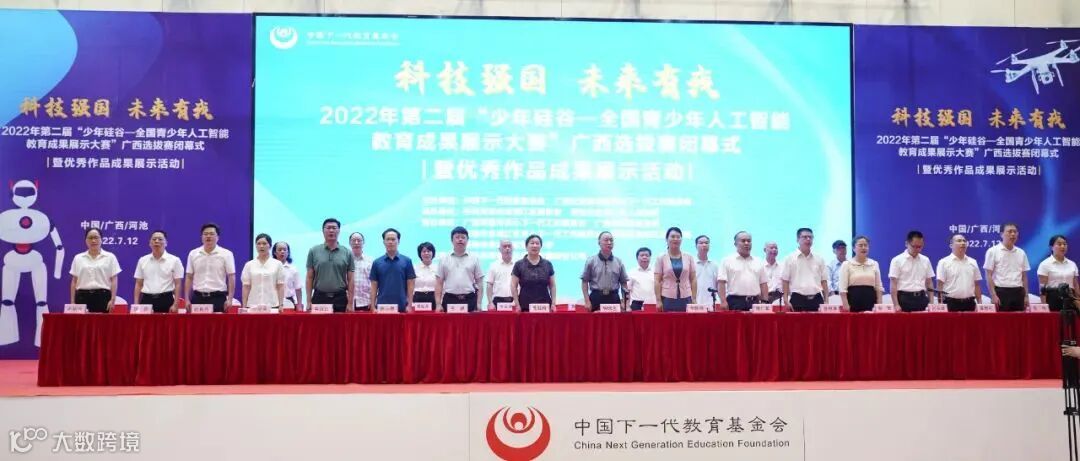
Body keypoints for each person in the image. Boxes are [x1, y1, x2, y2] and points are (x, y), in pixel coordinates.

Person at [306, 219, 355, 313]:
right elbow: (309, 277)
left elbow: (351, 279)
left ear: (339, 230)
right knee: (319, 323)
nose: (331, 230)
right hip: (319, 297)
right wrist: (308, 301)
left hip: (340, 298)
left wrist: (350, 303)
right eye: (328, 228)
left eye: (334, 228)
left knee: (341, 323)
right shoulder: (313, 251)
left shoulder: (347, 252)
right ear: (323, 231)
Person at [185, 223, 236, 313]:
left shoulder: (226, 254)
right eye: (205, 234)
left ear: (217, 237)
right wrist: (186, 299)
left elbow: (231, 277)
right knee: (196, 322)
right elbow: (189, 277)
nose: (208, 236)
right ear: (201, 237)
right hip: (198, 298)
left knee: (218, 322)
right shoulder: (193, 254)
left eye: (212, 234)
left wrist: (230, 299)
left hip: (218, 298)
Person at [69, 227, 120, 313]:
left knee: (102, 322)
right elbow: (74, 281)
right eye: (90, 238)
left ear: (101, 239)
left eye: (96, 237)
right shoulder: (78, 258)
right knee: (82, 322)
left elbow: (114, 280)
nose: (93, 241)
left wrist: (113, 299)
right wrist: (72, 302)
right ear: (86, 240)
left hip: (103, 297)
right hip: (82, 298)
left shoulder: (110, 257)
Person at [983, 222, 1031, 311]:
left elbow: (1024, 276)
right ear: (1001, 234)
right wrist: (993, 295)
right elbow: (988, 275)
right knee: (1001, 319)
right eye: (1009, 231)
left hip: (1018, 292)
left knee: (1018, 319)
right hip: (1001, 292)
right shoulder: (992, 251)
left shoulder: (1021, 252)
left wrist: (1026, 296)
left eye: (1015, 232)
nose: (1013, 234)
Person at [133, 230, 183, 313]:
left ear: (166, 243)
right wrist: (136, 304)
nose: (156, 241)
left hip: (166, 299)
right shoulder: (142, 260)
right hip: (146, 300)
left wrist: (176, 304)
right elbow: (138, 284)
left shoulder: (175, 260)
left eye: (160, 239)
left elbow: (178, 284)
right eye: (154, 239)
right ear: (150, 243)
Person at [436, 226, 484, 312]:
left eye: (463, 237)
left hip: (469, 299)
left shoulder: (474, 258)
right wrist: (438, 304)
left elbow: (479, 282)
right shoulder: (444, 259)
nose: (460, 239)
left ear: (467, 240)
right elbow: (439, 283)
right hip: (450, 299)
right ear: (452, 240)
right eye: (457, 237)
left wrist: (479, 303)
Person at [717, 231, 768, 311]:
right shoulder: (727, 261)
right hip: (735, 302)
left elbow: (763, 283)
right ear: (735, 244)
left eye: (749, 241)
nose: (746, 243)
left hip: (755, 302)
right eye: (743, 241)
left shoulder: (758, 261)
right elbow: (721, 282)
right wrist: (723, 301)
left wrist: (765, 301)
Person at [782, 227, 829, 312]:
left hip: (817, 298)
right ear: (797, 239)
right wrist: (785, 299)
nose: (808, 239)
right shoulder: (790, 258)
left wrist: (826, 300)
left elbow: (824, 281)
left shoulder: (819, 258)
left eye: (810, 237)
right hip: (797, 298)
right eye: (805, 237)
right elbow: (785, 280)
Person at [580, 231, 629, 311]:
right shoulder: (591, 261)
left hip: (613, 297)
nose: (609, 243)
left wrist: (625, 302)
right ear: (599, 242)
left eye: (611, 240)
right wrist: (587, 301)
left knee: (614, 319)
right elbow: (584, 282)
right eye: (606, 240)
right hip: (596, 297)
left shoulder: (619, 262)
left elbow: (624, 283)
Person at [370, 228, 416, 312]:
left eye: (393, 239)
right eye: (388, 239)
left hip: (402, 307)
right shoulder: (377, 262)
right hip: (382, 307)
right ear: (384, 242)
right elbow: (373, 286)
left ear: (398, 241)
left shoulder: (407, 261)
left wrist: (410, 305)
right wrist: (372, 306)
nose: (390, 242)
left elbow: (411, 284)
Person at [888, 230, 935, 312]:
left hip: (922, 298)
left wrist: (931, 303)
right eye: (914, 246)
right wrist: (896, 304)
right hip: (904, 299)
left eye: (919, 247)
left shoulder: (925, 260)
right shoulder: (897, 260)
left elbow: (929, 282)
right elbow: (893, 284)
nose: (917, 249)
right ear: (906, 243)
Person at [936, 233, 983, 312]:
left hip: (969, 303)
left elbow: (977, 285)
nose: (963, 243)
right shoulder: (943, 262)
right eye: (959, 241)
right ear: (951, 245)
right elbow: (940, 285)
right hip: (950, 303)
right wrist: (940, 304)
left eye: (964, 241)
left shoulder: (973, 262)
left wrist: (980, 304)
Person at [654, 227, 696, 312]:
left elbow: (693, 279)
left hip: (686, 296)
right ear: (667, 239)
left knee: (686, 320)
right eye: (672, 237)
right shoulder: (661, 258)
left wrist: (694, 298)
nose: (675, 239)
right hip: (667, 297)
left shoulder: (689, 257)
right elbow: (657, 280)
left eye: (678, 237)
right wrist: (658, 300)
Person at [511, 234, 556, 312]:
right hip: (525, 307)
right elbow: (513, 285)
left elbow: (552, 286)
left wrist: (553, 303)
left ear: (540, 247)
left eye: (537, 243)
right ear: (526, 247)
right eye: (532, 243)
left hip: (544, 306)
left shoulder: (547, 264)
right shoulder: (519, 264)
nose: (535, 246)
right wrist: (517, 304)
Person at [839, 236, 883, 312]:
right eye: (860, 245)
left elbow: (878, 287)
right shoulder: (847, 264)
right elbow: (842, 288)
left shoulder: (874, 263)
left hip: (871, 300)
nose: (863, 248)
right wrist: (845, 304)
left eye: (866, 245)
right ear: (853, 248)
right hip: (853, 300)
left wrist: (879, 304)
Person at [241, 233, 285, 309]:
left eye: (264, 243)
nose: (261, 246)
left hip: (272, 305)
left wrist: (281, 305)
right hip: (253, 305)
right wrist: (244, 305)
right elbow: (246, 287)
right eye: (258, 244)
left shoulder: (277, 264)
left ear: (270, 246)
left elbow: (280, 286)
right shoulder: (249, 265)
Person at [1038, 235, 1078, 311]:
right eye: (1059, 244)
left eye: (1064, 244)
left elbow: (1076, 285)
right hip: (1053, 299)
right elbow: (1042, 288)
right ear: (1051, 247)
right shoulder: (1045, 264)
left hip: (1070, 299)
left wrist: (1078, 300)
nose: (1063, 246)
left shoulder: (1072, 264)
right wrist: (1044, 306)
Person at [273, 241, 304, 310]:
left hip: (289, 302)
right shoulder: (270, 268)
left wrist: (299, 305)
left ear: (288, 252)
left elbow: (298, 288)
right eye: (279, 250)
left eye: (284, 250)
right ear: (275, 252)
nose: (282, 252)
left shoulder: (293, 269)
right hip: (273, 302)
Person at [486, 239, 515, 310]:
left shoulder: (518, 264)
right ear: (499, 249)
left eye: (509, 246)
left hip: (514, 301)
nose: (507, 248)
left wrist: (517, 301)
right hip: (497, 301)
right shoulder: (493, 265)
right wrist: (490, 302)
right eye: (504, 246)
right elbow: (489, 285)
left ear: (513, 248)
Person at [348, 232, 373, 311]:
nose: (356, 243)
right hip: (348, 303)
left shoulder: (370, 261)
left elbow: (374, 282)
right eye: (353, 240)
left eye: (359, 240)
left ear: (363, 242)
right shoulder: (345, 260)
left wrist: (373, 300)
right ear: (350, 243)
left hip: (366, 302)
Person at [693, 235, 719, 307]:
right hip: (694, 303)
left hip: (711, 304)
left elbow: (718, 285)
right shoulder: (691, 264)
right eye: (701, 243)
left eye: (706, 243)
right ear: (696, 246)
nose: (704, 245)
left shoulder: (714, 265)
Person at [413, 242, 438, 307]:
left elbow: (442, 286)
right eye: (424, 251)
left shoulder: (438, 268)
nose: (426, 253)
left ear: (433, 253)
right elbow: (410, 286)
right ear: (420, 254)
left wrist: (440, 303)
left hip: (434, 297)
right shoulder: (414, 268)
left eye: (429, 251)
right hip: (417, 297)